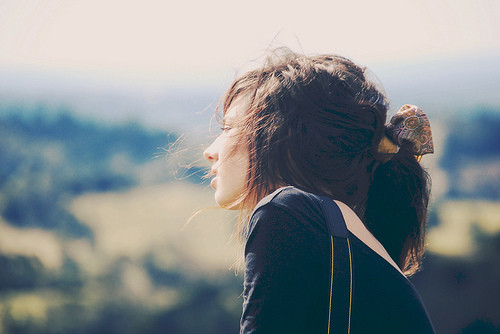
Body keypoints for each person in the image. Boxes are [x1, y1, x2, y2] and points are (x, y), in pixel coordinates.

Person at [203, 48, 436, 333]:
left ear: (283, 136)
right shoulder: (348, 239)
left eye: (228, 128)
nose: (209, 152)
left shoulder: (286, 213)